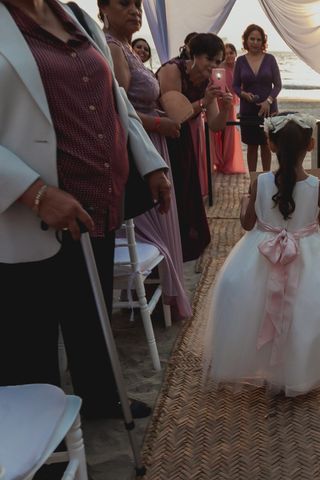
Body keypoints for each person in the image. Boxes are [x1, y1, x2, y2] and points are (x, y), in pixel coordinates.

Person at [0, 0, 171, 419]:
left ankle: (100, 396)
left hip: (96, 202)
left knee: (91, 313)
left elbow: (116, 98)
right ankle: (44, 437)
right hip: (28, 215)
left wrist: (150, 163)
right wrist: (35, 191)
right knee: (30, 339)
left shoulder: (73, 15)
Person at [202, 113, 320, 396]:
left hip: (262, 252)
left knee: (245, 297)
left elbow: (248, 225)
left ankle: (265, 365)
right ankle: (298, 370)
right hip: (308, 252)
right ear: (310, 146)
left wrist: (245, 202)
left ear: (270, 146)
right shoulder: (317, 187)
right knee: (312, 305)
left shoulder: (259, 183)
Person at [102, 0, 192, 319]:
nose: (135, 10)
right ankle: (147, 300)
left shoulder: (128, 47)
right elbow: (116, 108)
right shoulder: (113, 48)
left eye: (138, 5)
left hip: (153, 142)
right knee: (147, 224)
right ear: (103, 8)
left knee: (160, 222)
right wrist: (158, 124)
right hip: (137, 146)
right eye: (124, 3)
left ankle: (155, 297)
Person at [157, 33, 233, 262]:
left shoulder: (209, 84)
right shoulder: (173, 70)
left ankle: (184, 244)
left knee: (188, 190)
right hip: (162, 137)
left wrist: (226, 107)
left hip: (184, 140)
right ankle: (168, 242)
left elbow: (215, 126)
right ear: (194, 54)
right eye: (209, 59)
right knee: (173, 190)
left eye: (217, 61)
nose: (213, 65)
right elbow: (173, 116)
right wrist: (204, 101)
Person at [233, 24, 282, 172]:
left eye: (258, 39)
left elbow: (278, 85)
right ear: (246, 40)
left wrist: (268, 101)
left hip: (268, 110)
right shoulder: (240, 61)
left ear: (263, 42)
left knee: (266, 145)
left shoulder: (270, 59)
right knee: (251, 146)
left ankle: (266, 180)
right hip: (248, 110)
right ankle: (253, 182)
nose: (255, 42)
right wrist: (243, 94)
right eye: (252, 39)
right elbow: (235, 85)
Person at [211, 43, 246, 174]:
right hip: (218, 101)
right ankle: (218, 161)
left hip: (230, 103)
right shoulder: (220, 67)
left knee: (229, 132)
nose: (229, 55)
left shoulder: (240, 67)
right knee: (217, 132)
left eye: (231, 52)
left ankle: (229, 163)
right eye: (226, 53)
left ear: (236, 54)